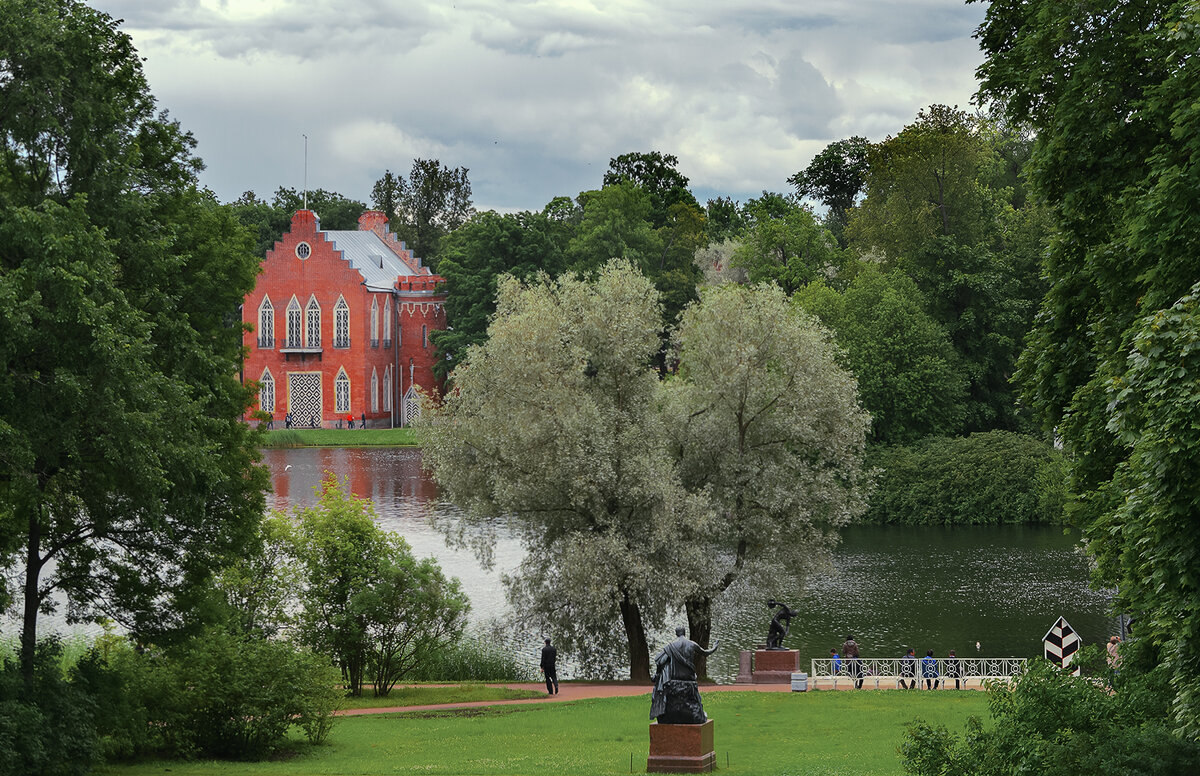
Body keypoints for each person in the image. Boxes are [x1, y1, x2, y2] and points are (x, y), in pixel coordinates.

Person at [650, 626, 719, 723]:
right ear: (685, 633)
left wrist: (657, 675)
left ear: (676, 633)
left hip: (674, 681)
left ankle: (667, 715)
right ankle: (697, 715)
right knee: (693, 703)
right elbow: (706, 653)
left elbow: (660, 662)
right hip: (689, 680)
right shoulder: (692, 644)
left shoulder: (671, 646)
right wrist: (715, 647)